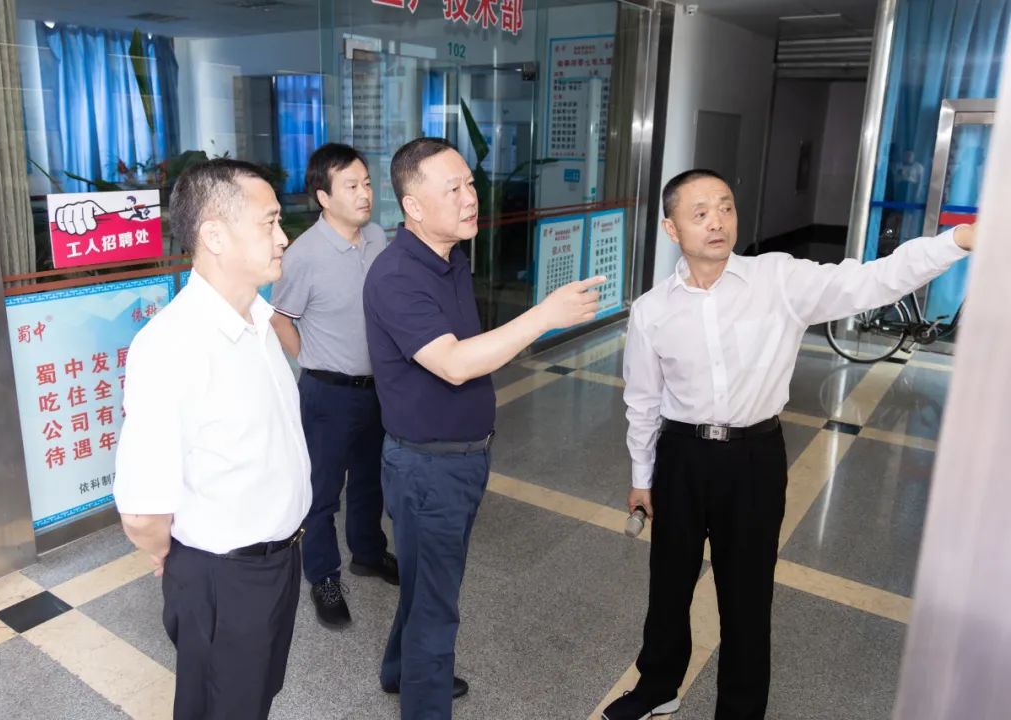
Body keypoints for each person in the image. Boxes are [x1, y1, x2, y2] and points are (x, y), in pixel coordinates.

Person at [603, 168, 974, 720]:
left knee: (747, 594)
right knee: (669, 584)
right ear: (671, 228)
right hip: (680, 456)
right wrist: (641, 476)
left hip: (754, 458)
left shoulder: (779, 279)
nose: (717, 221)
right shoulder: (653, 309)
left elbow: (872, 281)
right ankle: (658, 686)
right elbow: (643, 400)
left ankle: (740, 709)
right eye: (700, 213)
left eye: (726, 207)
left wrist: (956, 240)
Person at [363, 137, 605, 720]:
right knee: (436, 607)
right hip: (429, 468)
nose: (471, 198)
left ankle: (401, 671)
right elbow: (453, 362)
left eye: (470, 184)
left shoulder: (449, 258)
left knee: (427, 585)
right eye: (454, 189)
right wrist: (544, 316)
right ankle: (423, 699)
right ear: (413, 205)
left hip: (460, 458)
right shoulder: (396, 276)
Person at [113, 159, 312, 720]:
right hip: (225, 578)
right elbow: (142, 513)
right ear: (215, 236)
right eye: (269, 223)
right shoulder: (171, 345)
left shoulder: (259, 320)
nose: (283, 237)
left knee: (253, 699)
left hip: (278, 562)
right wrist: (180, 561)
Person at [270, 143, 398, 630]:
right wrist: (310, 359)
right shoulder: (303, 255)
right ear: (324, 196)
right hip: (328, 394)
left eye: (367, 183)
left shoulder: (377, 237)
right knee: (322, 492)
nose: (365, 194)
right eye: (351, 186)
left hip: (377, 388)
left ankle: (368, 552)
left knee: (370, 479)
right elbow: (280, 318)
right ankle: (323, 577)